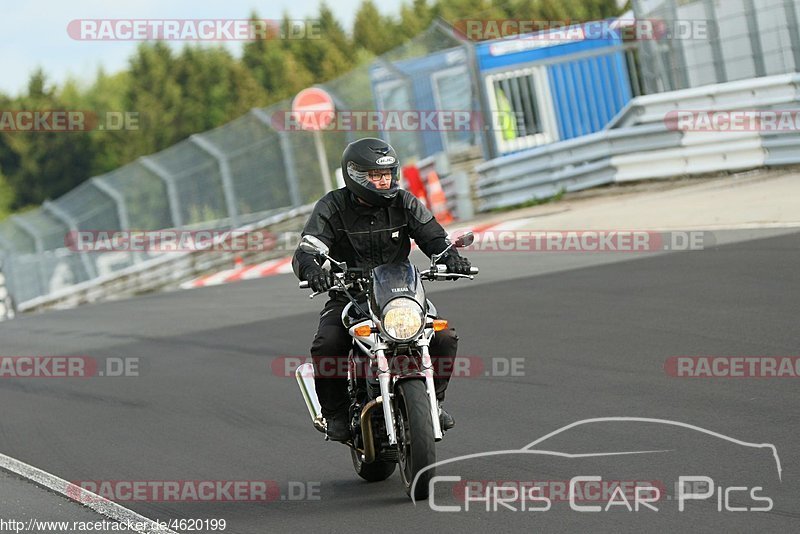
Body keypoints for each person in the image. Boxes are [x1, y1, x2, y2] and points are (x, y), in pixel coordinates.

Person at [292, 137, 472, 442]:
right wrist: (312, 269)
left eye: (387, 174)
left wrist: (450, 257)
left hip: (400, 293)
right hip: (349, 294)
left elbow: (434, 237)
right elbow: (308, 247)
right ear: (356, 176)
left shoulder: (404, 202)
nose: (383, 181)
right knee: (327, 342)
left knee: (443, 335)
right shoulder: (332, 207)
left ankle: (434, 402)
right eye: (375, 176)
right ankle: (335, 414)